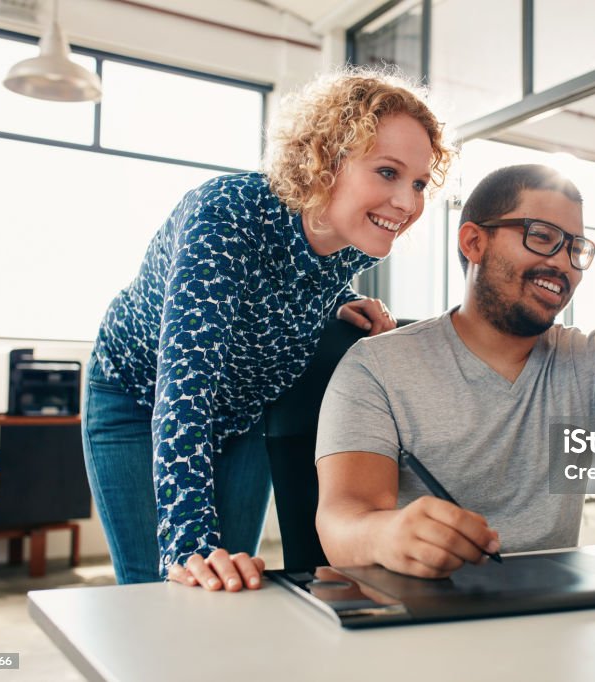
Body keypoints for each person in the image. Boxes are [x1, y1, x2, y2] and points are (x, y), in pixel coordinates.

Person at [82, 68, 453, 589]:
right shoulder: (224, 218)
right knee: (168, 588)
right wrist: (189, 547)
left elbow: (282, 280)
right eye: (388, 173)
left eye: (418, 183)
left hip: (244, 414)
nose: (409, 203)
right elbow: (185, 391)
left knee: (235, 586)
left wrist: (338, 302)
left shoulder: (346, 241)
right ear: (325, 159)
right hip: (141, 403)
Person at [314, 164, 595, 578]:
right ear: (473, 242)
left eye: (575, 249)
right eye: (542, 237)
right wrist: (386, 533)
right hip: (425, 615)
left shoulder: (593, 358)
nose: (564, 264)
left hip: (552, 615)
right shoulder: (376, 367)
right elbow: (342, 522)